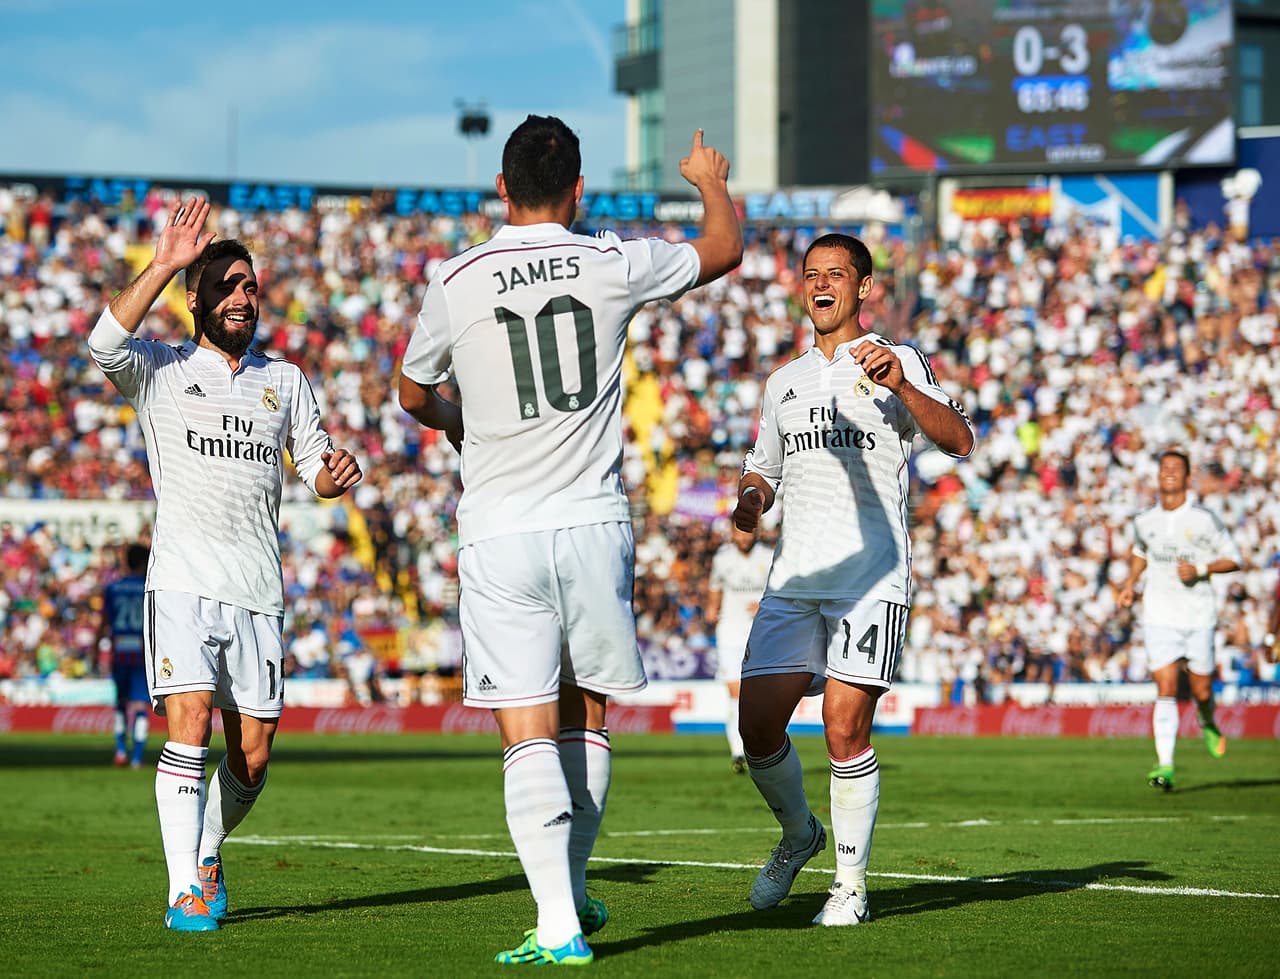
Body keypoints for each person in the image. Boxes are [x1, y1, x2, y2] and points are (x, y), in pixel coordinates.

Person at [398, 115, 741, 965]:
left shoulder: (457, 277)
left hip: (501, 528)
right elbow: (723, 247)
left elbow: (411, 393)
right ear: (579, 190)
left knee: (525, 729)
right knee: (587, 715)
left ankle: (556, 923)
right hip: (591, 520)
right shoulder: (610, 259)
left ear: (502, 189)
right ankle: (572, 896)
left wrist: (463, 426)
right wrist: (706, 179)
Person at [87, 196, 363, 932]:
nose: (243, 296)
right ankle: (183, 892)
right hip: (180, 581)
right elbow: (102, 341)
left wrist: (337, 471)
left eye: (250, 286)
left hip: (257, 588)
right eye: (227, 285)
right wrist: (166, 261)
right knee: (190, 723)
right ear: (196, 299)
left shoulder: (287, 381)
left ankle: (207, 848)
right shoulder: (161, 370)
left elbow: (317, 470)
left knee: (253, 754)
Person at [731, 232, 974, 927]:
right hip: (796, 576)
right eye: (811, 274)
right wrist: (751, 497)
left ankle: (849, 886)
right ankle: (800, 833)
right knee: (756, 728)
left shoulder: (896, 362)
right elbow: (763, 468)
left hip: (871, 578)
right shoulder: (784, 381)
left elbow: (960, 439)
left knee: (844, 728)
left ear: (864, 287)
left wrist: (901, 384)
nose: (820, 284)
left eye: (835, 273)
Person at [1117, 447, 1240, 791]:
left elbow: (1234, 558)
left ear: (1187, 477)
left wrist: (1201, 569)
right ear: (1158, 476)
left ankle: (1207, 719)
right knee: (1166, 686)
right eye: (1164, 467)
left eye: (1176, 468)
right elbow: (1140, 553)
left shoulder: (1204, 519)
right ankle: (1165, 765)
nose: (1169, 472)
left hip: (1198, 615)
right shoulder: (1144, 520)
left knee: (1201, 689)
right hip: (1158, 614)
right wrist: (1129, 584)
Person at [706, 523, 773, 773]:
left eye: (748, 532)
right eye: (739, 532)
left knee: (763, 693)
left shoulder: (767, 557)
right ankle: (738, 752)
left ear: (756, 533)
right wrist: (712, 609)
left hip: (761, 632)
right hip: (730, 632)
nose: (743, 537)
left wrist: (763, 605)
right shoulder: (722, 559)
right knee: (735, 691)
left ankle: (764, 749)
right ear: (732, 533)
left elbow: (779, 591)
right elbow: (715, 590)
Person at [100, 542, 151, 768]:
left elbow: (105, 623)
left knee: (120, 703)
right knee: (140, 705)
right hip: (141, 653)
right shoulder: (148, 587)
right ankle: (137, 758)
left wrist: (95, 650)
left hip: (120, 650)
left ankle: (120, 751)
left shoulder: (112, 588)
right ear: (143, 562)